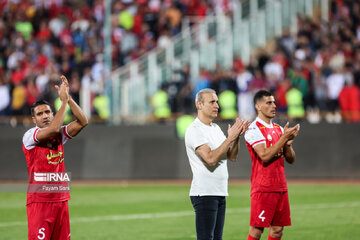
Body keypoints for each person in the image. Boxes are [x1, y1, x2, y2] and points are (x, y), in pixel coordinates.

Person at [22, 75, 88, 240]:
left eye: (47, 112)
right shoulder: (30, 136)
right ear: (34, 119)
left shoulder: (59, 134)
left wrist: (69, 99)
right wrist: (63, 103)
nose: (44, 116)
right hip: (40, 201)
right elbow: (52, 130)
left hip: (61, 198)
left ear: (52, 114)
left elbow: (83, 121)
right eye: (40, 114)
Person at [185, 88, 250, 240]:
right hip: (205, 192)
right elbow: (210, 158)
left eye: (217, 102)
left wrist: (236, 138)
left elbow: (231, 156)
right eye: (212, 102)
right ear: (199, 105)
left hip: (219, 191)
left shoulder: (215, 128)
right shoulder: (195, 130)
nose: (217, 106)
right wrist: (229, 138)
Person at [244, 90, 300, 240]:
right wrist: (283, 139)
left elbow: (291, 159)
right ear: (258, 106)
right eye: (269, 102)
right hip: (263, 187)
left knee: (277, 231)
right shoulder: (253, 129)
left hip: (280, 186)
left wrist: (287, 144)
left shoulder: (279, 129)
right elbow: (265, 155)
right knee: (256, 231)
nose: (274, 105)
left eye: (274, 102)